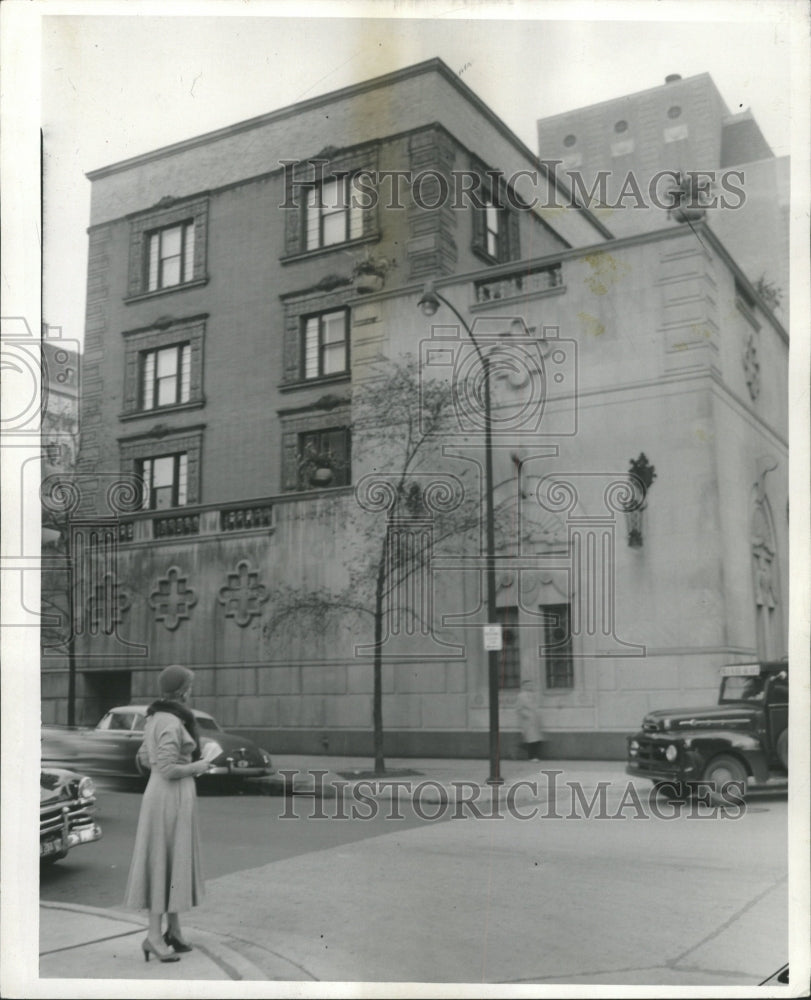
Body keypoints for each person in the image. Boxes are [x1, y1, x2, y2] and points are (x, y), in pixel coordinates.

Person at [124, 664, 213, 962]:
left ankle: (173, 930)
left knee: (170, 861)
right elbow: (166, 767)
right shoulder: (172, 722)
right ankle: (153, 936)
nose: (192, 691)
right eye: (189, 686)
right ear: (182, 690)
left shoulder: (155, 718)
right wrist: (198, 767)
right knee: (164, 862)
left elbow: (145, 759)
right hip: (170, 798)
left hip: (163, 795)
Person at [517, 679, 545, 761]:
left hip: (535, 719)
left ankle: (535, 755)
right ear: (524, 686)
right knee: (531, 739)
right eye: (528, 685)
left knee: (536, 738)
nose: (530, 686)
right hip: (527, 720)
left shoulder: (534, 695)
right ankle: (532, 756)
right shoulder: (521, 696)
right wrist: (526, 715)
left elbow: (536, 706)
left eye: (531, 685)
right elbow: (518, 708)